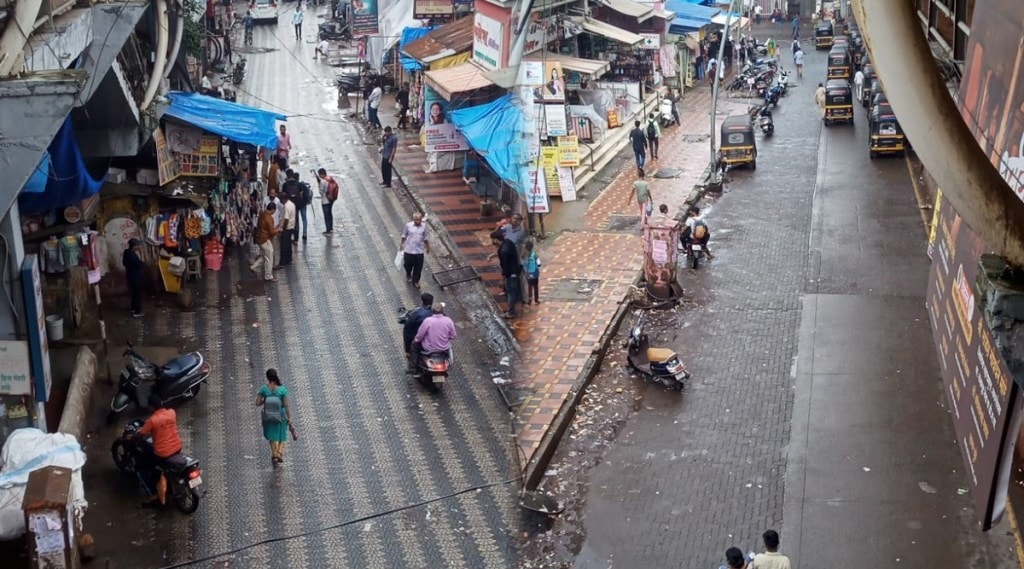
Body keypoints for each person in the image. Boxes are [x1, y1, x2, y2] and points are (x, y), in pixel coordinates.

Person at [134, 394, 183, 505]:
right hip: (177, 448)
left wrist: (132, 437)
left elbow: (141, 433)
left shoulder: (153, 420)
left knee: (142, 467)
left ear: (151, 408)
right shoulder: (171, 413)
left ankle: (152, 493)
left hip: (163, 454)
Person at [256, 369, 290, 465]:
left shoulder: (263, 389)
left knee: (271, 435)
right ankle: (279, 452)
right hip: (281, 414)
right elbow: (286, 405)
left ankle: (274, 454)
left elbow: (257, 403)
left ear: (267, 377)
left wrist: (265, 400)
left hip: (269, 415)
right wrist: (289, 417)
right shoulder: (282, 390)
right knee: (281, 434)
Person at [491, 230, 522, 319]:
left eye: (492, 240)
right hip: (516, 270)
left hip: (511, 273)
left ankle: (510, 312)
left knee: (511, 292)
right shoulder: (508, 242)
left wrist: (503, 279)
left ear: (496, 239)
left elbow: (506, 267)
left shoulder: (503, 251)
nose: (492, 242)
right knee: (514, 291)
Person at [403, 293, 434, 371]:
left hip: (425, 343)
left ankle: (412, 366)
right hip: (440, 343)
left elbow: (411, 331)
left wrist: (408, 349)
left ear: (422, 302)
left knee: (414, 346)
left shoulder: (418, 314)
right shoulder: (441, 316)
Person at [400, 212, 429, 288]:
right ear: (413, 219)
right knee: (407, 265)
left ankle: (415, 281)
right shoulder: (408, 225)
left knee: (418, 267)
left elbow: (425, 238)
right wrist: (401, 243)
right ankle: (408, 274)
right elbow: (404, 235)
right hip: (409, 250)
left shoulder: (424, 226)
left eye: (419, 220)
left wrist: (428, 247)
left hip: (419, 251)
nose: (418, 222)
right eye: (416, 220)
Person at [250, 203, 278, 282]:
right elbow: (272, 232)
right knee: (269, 257)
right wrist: (278, 230)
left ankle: (254, 267)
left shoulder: (262, 214)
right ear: (272, 209)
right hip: (265, 240)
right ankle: (268, 276)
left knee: (265, 255)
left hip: (259, 239)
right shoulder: (269, 218)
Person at [123, 238, 146, 317]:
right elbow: (142, 264)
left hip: (130, 276)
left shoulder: (126, 252)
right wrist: (142, 253)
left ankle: (133, 308)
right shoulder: (132, 255)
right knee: (137, 294)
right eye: (138, 245)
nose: (139, 246)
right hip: (136, 277)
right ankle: (137, 312)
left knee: (134, 293)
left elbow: (124, 263)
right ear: (134, 246)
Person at [317, 168, 339, 235]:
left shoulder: (323, 181)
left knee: (326, 215)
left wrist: (319, 185)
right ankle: (331, 227)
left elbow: (320, 192)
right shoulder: (330, 178)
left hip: (325, 200)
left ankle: (328, 229)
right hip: (331, 199)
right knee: (330, 213)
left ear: (321, 174)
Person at [277, 193, 295, 268]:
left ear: (283, 199)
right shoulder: (292, 204)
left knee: (283, 245)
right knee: (288, 244)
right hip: (291, 227)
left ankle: (282, 262)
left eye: (280, 200)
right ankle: (289, 259)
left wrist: (282, 229)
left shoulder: (286, 206)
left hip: (287, 228)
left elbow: (286, 219)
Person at [524, 241, 541, 305]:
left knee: (529, 286)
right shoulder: (535, 255)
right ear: (532, 247)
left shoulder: (524, 255)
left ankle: (529, 299)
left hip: (528, 273)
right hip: (535, 273)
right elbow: (539, 264)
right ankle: (536, 300)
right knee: (535, 286)